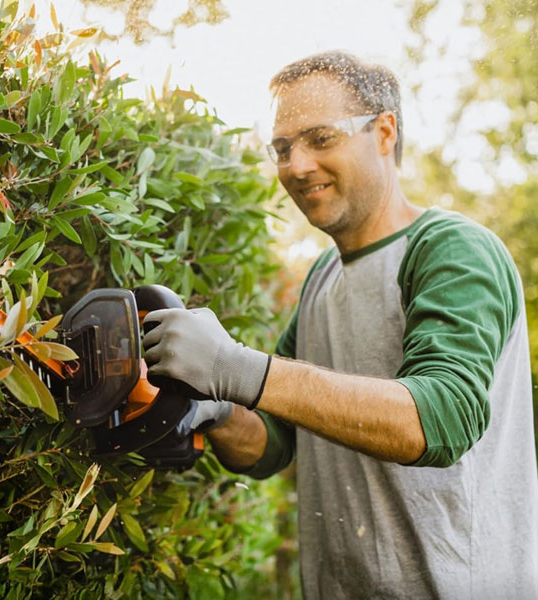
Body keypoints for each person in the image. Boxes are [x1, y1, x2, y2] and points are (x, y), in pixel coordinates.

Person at [143, 51, 538, 599]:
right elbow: (274, 443)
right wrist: (211, 408)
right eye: (282, 148)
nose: (296, 165)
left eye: (320, 139)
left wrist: (232, 366)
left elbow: (440, 419)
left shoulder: (452, 250)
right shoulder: (322, 278)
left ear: (383, 132)